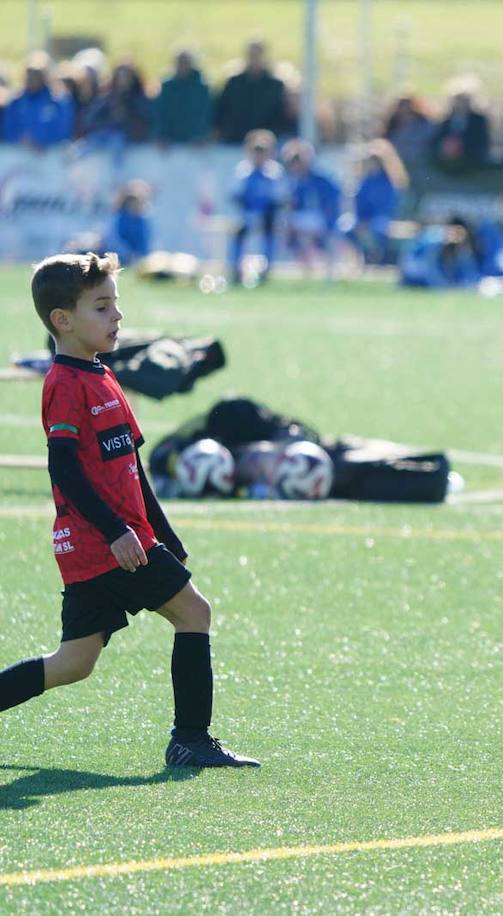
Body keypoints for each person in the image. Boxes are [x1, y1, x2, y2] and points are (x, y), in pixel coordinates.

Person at [0, 252, 258, 768]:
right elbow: (65, 470)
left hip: (111, 543)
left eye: (116, 304)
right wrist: (119, 531)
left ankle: (191, 739)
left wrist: (164, 533)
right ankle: (191, 740)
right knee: (195, 613)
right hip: (110, 545)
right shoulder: (65, 385)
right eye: (102, 307)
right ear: (63, 320)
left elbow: (132, 469)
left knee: (75, 662)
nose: (117, 316)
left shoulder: (102, 375)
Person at [228, 129, 289, 284]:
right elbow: (235, 195)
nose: (259, 155)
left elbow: (280, 198)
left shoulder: (275, 172)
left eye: (262, 151)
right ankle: (236, 269)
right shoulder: (242, 171)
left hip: (268, 215)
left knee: (270, 231)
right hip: (246, 214)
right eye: (256, 151)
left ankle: (266, 269)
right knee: (238, 233)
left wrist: (266, 213)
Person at [339, 139, 408, 266]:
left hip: (383, 218)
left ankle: (380, 258)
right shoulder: (364, 181)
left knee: (378, 228)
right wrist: (362, 219)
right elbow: (358, 203)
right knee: (345, 228)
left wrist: (371, 220)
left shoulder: (389, 182)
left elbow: (389, 206)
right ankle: (365, 255)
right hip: (364, 219)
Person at [282, 139, 341, 277]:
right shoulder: (292, 181)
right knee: (291, 229)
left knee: (304, 232)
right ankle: (307, 269)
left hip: (320, 219)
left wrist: (329, 221)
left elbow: (332, 202)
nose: (296, 166)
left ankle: (315, 270)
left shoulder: (321, 179)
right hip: (300, 219)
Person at [214, 40, 290, 144]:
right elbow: (221, 110)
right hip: (235, 142)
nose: (255, 58)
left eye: (258, 55)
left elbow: (281, 116)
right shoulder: (234, 82)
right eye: (252, 55)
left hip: (264, 145)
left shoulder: (275, 85)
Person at [3, 52, 74, 148]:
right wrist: (21, 139)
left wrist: (42, 142)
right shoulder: (16, 102)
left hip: (49, 152)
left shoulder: (58, 101)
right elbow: (8, 129)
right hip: (20, 150)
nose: (32, 78)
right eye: (30, 73)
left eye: (37, 74)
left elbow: (63, 131)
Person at [154, 50, 212, 144]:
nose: (183, 66)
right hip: (171, 143)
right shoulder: (167, 87)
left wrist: (201, 135)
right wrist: (161, 135)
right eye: (180, 63)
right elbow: (161, 113)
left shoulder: (202, 88)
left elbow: (205, 114)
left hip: (195, 144)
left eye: (186, 63)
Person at [433, 77, 491, 169]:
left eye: (464, 100)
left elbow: (482, 142)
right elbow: (437, 140)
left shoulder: (479, 120)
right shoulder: (446, 120)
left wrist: (461, 146)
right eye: (458, 100)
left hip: (470, 161)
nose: (461, 104)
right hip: (446, 163)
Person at [103, 180, 154, 265]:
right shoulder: (119, 218)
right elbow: (114, 239)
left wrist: (139, 255)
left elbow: (144, 240)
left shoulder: (142, 220)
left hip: (137, 258)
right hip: (119, 257)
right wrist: (127, 254)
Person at [381, 91, 436, 163]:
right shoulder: (391, 128)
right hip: (396, 163)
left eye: (407, 105)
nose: (404, 109)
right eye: (401, 105)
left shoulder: (424, 125)